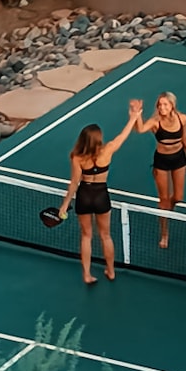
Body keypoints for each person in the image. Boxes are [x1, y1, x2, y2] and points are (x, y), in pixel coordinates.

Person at [58, 99, 143, 284]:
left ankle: (87, 275)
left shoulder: (77, 157)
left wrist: (65, 205)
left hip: (85, 196)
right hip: (101, 195)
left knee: (86, 236)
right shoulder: (108, 150)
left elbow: (74, 183)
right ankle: (110, 271)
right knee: (105, 235)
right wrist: (134, 117)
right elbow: (123, 135)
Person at [134, 91, 186, 248]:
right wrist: (137, 114)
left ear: (172, 105)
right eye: (159, 105)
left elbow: (185, 138)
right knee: (163, 200)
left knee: (178, 197)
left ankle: (168, 208)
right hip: (161, 161)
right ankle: (164, 233)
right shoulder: (155, 122)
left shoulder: (183, 119)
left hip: (179, 159)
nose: (162, 107)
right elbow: (140, 129)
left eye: (165, 104)